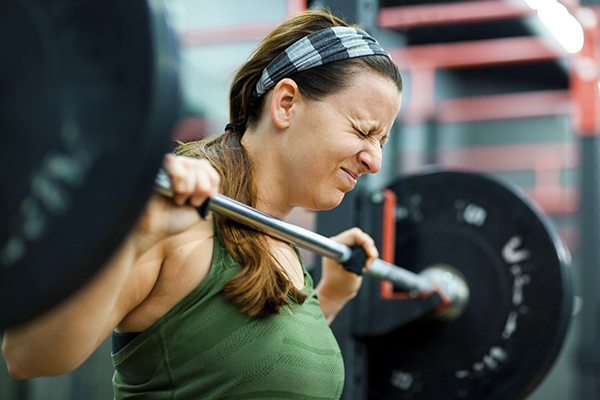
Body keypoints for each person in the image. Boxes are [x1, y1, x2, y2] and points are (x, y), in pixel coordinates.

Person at [2, 9, 402, 399]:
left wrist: (331, 295)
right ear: (285, 104)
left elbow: (261, 373)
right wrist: (140, 237)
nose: (374, 160)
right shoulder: (180, 216)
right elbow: (27, 357)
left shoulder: (285, 246)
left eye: (381, 143)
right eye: (363, 131)